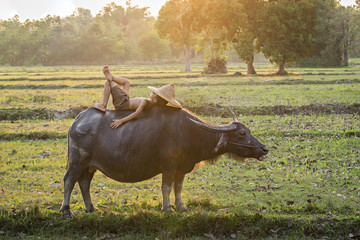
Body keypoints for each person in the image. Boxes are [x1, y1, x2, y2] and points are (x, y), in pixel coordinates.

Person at [93, 66, 182, 129]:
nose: (152, 92)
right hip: (126, 99)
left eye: (154, 93)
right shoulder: (153, 103)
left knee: (108, 83)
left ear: (155, 99)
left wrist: (121, 121)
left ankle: (103, 105)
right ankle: (112, 77)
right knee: (127, 82)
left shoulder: (145, 102)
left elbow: (136, 114)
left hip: (122, 103)